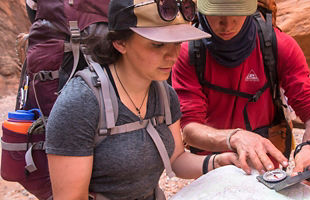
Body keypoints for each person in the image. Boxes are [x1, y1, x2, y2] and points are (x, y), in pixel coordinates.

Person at [45, 0, 240, 199]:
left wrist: (219, 162)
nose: (172, 56)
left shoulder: (164, 94)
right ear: (120, 42)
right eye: (157, 44)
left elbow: (176, 159)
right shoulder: (81, 103)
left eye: (177, 43)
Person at [172, 0, 310, 190]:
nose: (227, 24)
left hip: (267, 172)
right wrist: (235, 137)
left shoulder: (279, 46)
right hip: (213, 170)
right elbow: (189, 129)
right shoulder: (187, 53)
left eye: (237, 13)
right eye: (217, 14)